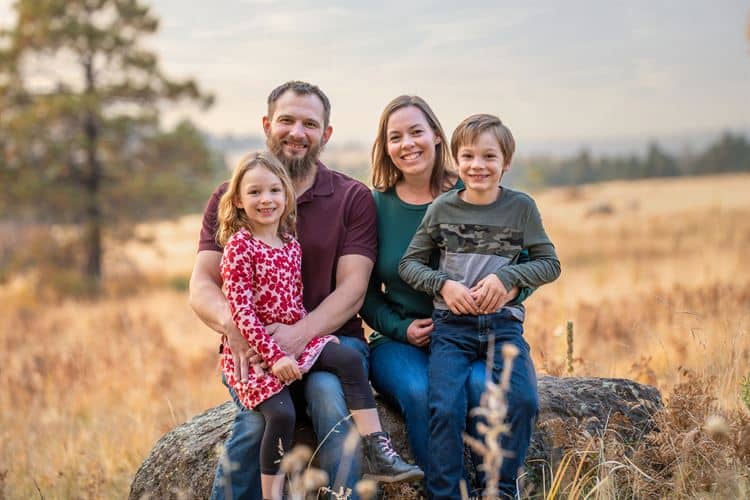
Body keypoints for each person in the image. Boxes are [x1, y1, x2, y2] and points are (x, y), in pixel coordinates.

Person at [189, 81, 378, 500]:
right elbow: (202, 284)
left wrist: (298, 334)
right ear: (266, 125)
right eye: (287, 120)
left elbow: (352, 290)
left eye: (310, 123)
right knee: (257, 422)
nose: (297, 132)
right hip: (255, 349)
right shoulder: (231, 195)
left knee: (327, 394)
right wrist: (235, 328)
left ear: (325, 134)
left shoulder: (352, 197)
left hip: (332, 342)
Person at [215, 151, 422, 500]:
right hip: (258, 352)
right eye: (254, 193)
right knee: (280, 415)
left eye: (274, 191)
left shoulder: (289, 245)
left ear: (286, 196)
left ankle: (376, 448)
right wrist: (275, 355)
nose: (266, 200)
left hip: (292, 342)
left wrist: (309, 343)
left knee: (349, 359)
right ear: (237, 200)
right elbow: (241, 312)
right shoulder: (239, 246)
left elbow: (294, 304)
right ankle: (272, 495)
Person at [360, 96, 532, 497]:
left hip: (473, 333)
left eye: (417, 131)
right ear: (385, 147)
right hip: (402, 342)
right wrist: (401, 328)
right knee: (422, 394)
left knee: (482, 392)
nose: (408, 144)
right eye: (395, 136)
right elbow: (362, 291)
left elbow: (527, 261)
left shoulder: (474, 187)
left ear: (437, 135)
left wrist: (509, 284)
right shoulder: (374, 205)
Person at [399, 113, 561, 499]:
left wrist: (508, 279)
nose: (478, 166)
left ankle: (502, 489)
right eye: (468, 156)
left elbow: (550, 263)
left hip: (503, 327)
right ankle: (448, 493)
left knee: (522, 400)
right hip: (451, 330)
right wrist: (444, 285)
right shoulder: (442, 208)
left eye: (489, 157)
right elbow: (409, 264)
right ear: (456, 160)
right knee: (444, 408)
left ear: (506, 162)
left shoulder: (521, 208)